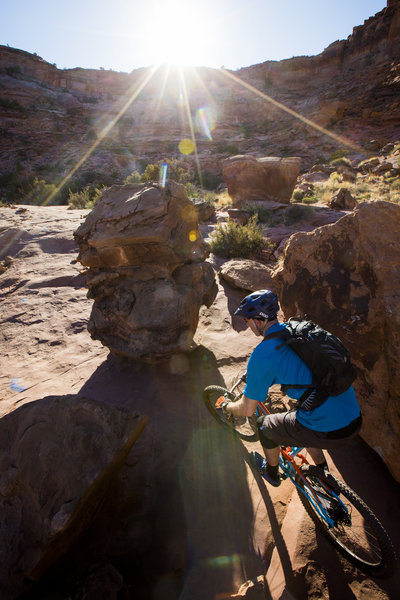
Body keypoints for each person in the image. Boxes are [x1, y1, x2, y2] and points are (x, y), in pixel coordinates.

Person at [217, 289, 362, 487]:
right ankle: (323, 474)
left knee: (263, 424)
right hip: (354, 416)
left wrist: (227, 407)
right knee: (299, 413)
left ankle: (272, 474)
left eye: (246, 321)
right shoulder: (298, 330)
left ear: (257, 321)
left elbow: (247, 409)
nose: (247, 325)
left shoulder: (263, 354)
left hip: (331, 431)